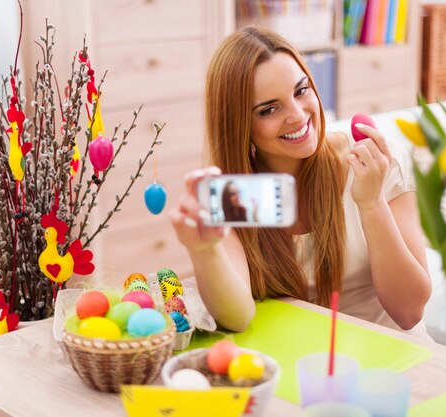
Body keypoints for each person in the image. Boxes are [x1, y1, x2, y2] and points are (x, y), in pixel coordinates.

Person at [169, 26, 431, 337]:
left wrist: (371, 203)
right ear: (239, 125)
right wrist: (204, 250)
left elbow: (410, 311)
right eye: (269, 109)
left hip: (392, 357)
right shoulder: (239, 191)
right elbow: (237, 317)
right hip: (302, 364)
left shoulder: (372, 160)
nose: (297, 115)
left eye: (301, 90)